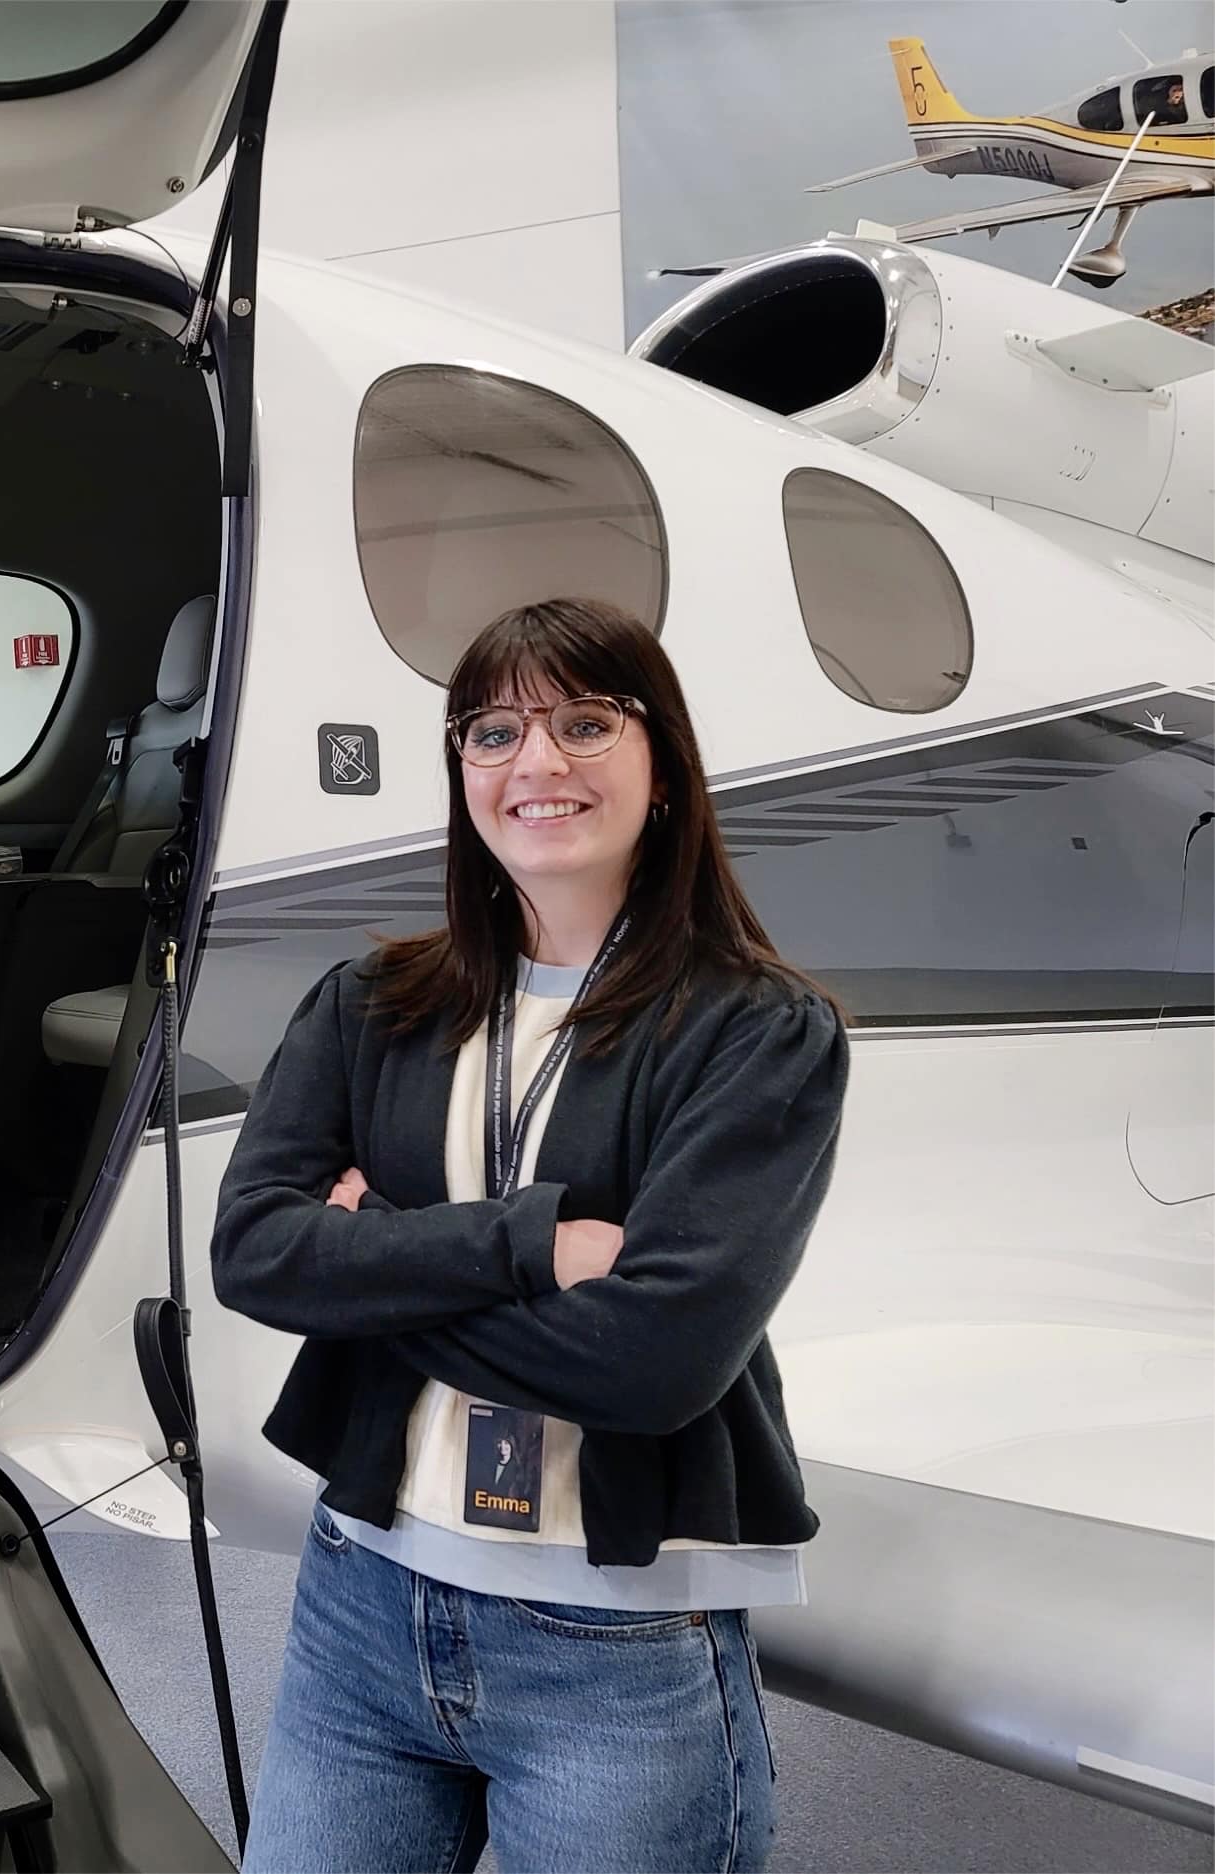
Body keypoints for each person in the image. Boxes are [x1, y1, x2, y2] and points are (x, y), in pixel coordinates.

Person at [212, 597, 847, 1873]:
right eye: (494, 731)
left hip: (615, 1646)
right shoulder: (369, 1003)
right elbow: (256, 1254)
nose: (538, 763)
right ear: (461, 773)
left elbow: (654, 1362)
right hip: (362, 1602)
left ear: (661, 766)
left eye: (586, 722)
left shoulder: (757, 1030)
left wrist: (376, 1252)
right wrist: (528, 1241)